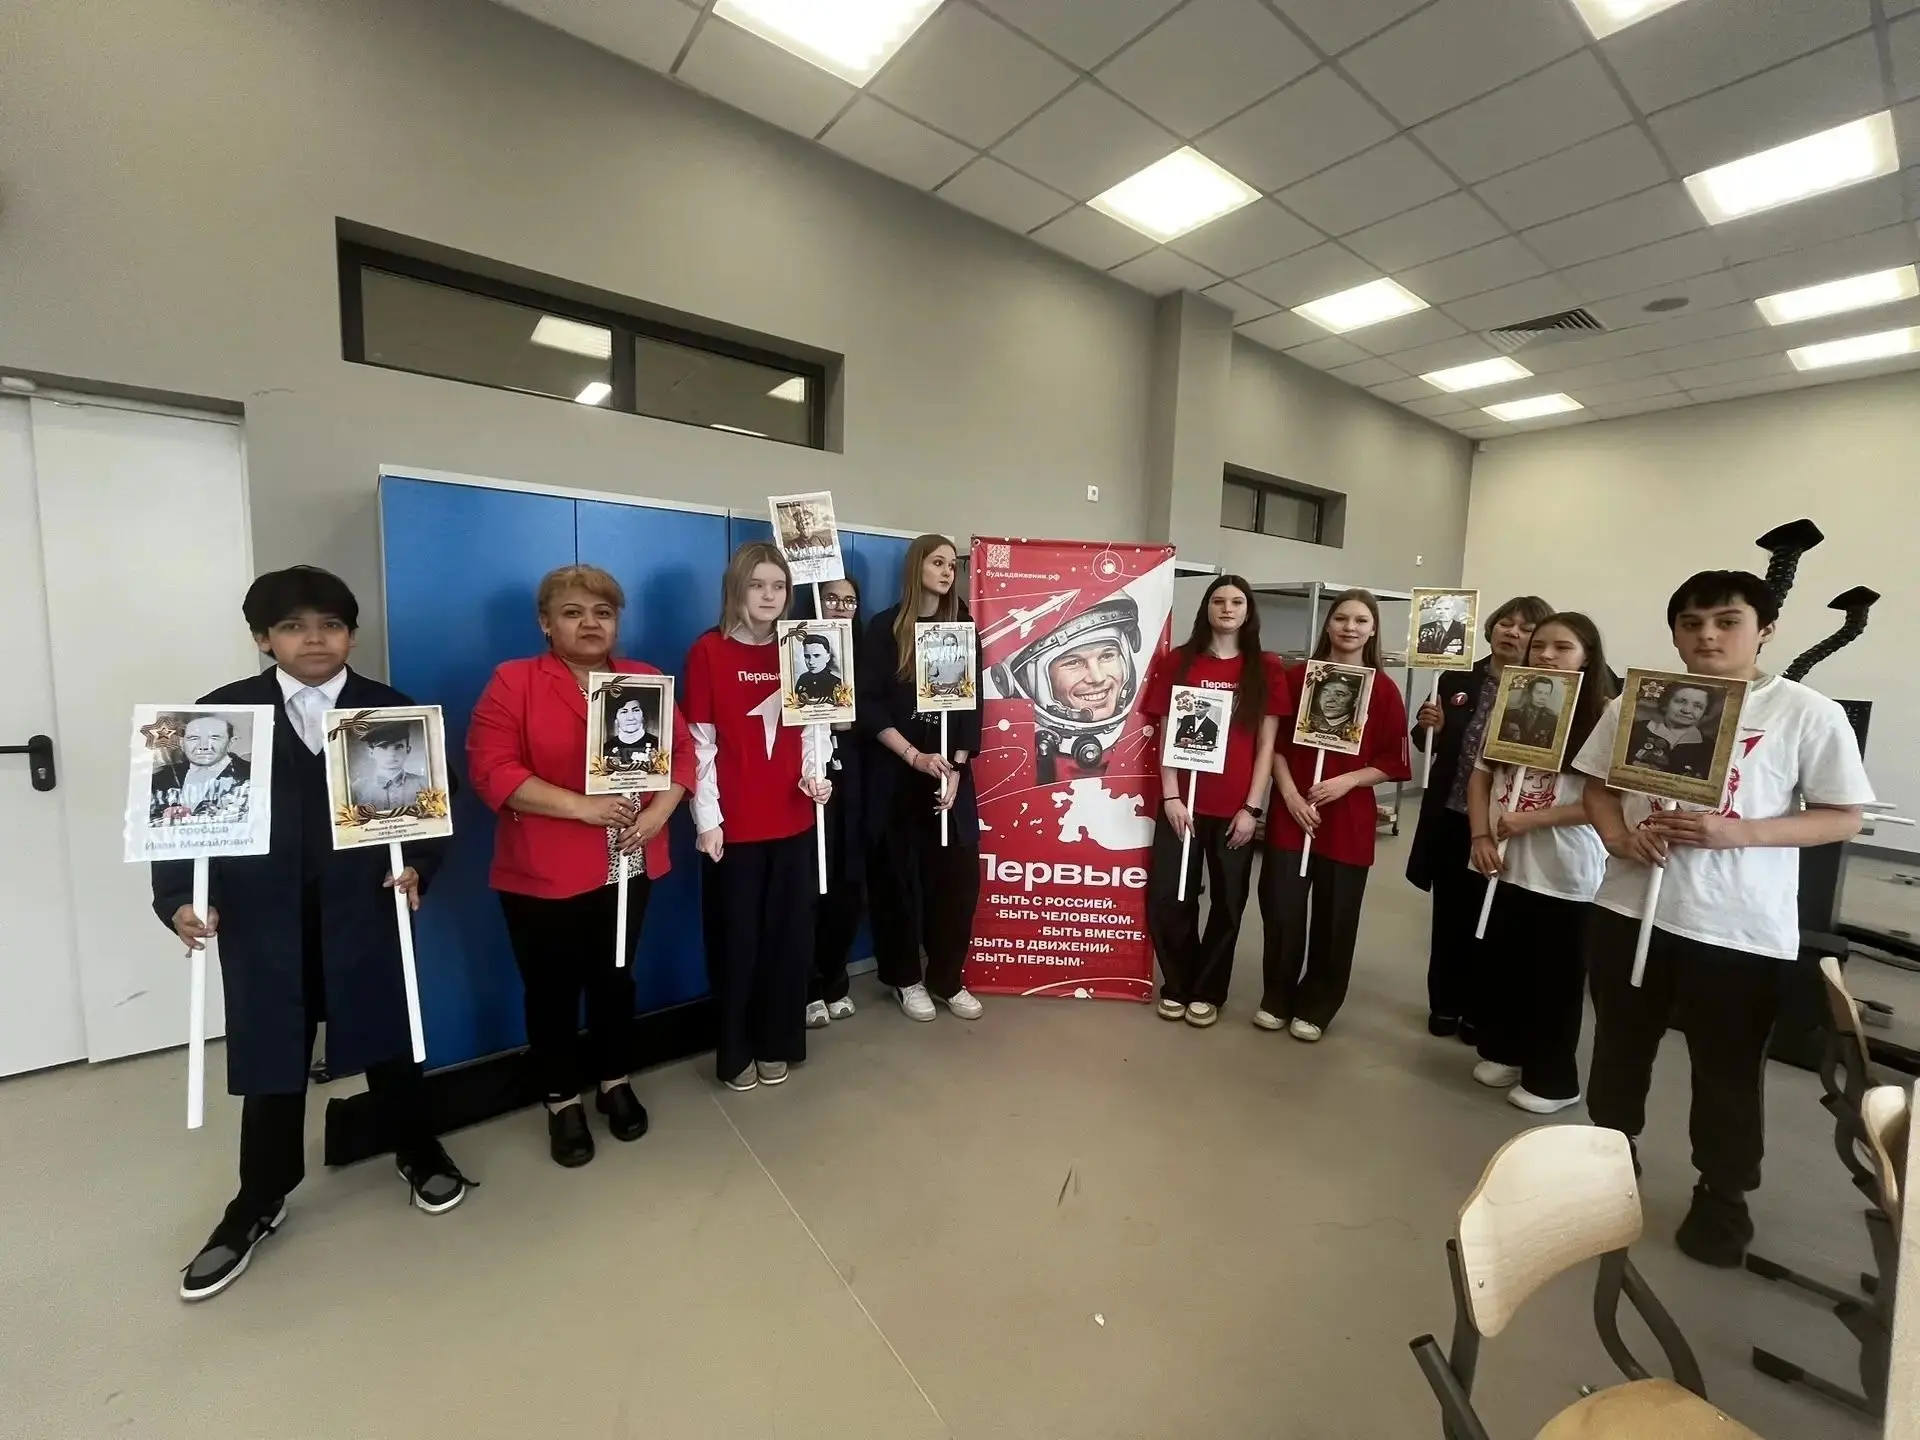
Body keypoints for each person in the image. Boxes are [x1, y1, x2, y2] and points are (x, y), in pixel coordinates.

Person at [152, 566, 470, 1302]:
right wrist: (178, 901)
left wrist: (419, 866)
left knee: (390, 1036)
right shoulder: (219, 716)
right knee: (272, 1051)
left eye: (330, 624)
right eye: (293, 626)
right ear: (264, 639)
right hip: (261, 919)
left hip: (364, 907)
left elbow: (431, 809)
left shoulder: (391, 711)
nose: (314, 639)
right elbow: (178, 819)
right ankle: (259, 1196)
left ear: (352, 634)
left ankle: (417, 1150)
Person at [1575, 570, 1873, 1267]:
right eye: (1691, 623)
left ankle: (1723, 1193)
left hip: (1738, 926)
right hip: (1630, 909)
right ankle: (1608, 1159)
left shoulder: (1806, 712)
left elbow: (1843, 817)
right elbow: (1596, 788)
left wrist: (1736, 833)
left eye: (1726, 621)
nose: (1707, 636)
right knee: (1619, 1048)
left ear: (1765, 630)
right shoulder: (1637, 704)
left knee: (1728, 1070)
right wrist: (1617, 838)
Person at [468, 565, 692, 1167]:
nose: (590, 623)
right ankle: (561, 1098)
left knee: (616, 978)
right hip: (542, 871)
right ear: (546, 623)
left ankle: (614, 1080)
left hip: (628, 861)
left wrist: (660, 812)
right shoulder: (514, 682)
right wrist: (582, 808)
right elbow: (492, 769)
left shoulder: (644, 680)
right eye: (573, 612)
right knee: (551, 991)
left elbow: (683, 756)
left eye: (603, 612)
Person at [686, 543, 833, 1089]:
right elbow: (699, 745)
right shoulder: (708, 651)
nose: (769, 596)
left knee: (788, 942)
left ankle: (779, 1041)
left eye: (778, 586)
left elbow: (815, 725)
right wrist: (708, 819)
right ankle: (735, 1049)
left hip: (793, 820)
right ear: (736, 589)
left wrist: (817, 774)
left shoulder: (801, 646)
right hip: (735, 829)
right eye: (757, 585)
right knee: (737, 944)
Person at [1466, 614, 1614, 1114]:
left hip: (1564, 872)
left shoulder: (1607, 715)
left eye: (1562, 647)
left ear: (1587, 656)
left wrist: (1534, 819)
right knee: (1505, 967)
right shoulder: (1513, 703)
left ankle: (1554, 1079)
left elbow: (1607, 801)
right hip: (1505, 861)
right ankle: (1507, 1051)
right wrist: (1480, 834)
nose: (1546, 656)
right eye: (1539, 646)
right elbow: (1480, 776)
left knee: (1555, 979)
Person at [1258, 590, 1411, 1041]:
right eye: (1341, 618)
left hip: (1347, 819)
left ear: (1373, 629)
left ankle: (1318, 1004)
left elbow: (1392, 760)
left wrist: (1347, 781)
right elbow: (1274, 745)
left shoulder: (1384, 690)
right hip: (1293, 811)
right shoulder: (1299, 678)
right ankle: (1277, 996)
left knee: (1336, 916)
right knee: (1282, 909)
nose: (1350, 627)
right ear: (1327, 624)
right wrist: (1289, 794)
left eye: (1361, 620)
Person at [1406, 594, 1554, 1043]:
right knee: (1449, 916)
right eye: (1506, 623)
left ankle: (1479, 1010)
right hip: (1452, 815)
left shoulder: (1548, 691)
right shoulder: (1455, 678)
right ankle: (1444, 1004)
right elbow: (1424, 741)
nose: (1513, 632)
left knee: (1494, 921)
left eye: (1525, 628)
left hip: (1504, 824)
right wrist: (1429, 727)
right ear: (1491, 629)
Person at [1142, 576, 1285, 1027]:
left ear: (1248, 611)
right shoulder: (1178, 662)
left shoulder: (1265, 667)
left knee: (1227, 902)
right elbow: (1165, 733)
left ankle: (1208, 990)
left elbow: (1267, 745)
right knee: (1170, 897)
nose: (1227, 608)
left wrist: (1252, 808)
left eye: (1237, 602)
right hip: (1182, 805)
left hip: (1234, 809)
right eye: (1218, 600)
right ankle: (1178, 983)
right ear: (1206, 608)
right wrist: (1170, 795)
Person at [857, 534, 985, 1023]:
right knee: (896, 881)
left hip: (948, 776)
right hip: (897, 775)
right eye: (938, 562)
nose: (948, 572)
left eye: (952, 564)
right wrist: (913, 756)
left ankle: (947, 978)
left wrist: (955, 767)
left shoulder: (962, 627)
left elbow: (972, 705)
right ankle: (905, 978)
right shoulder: (884, 627)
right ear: (916, 568)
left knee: (956, 880)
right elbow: (869, 705)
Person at [805, 577, 865, 1031]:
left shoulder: (865, 653)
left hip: (855, 781)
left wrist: (852, 721)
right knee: (809, 885)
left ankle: (835, 978)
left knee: (847, 884)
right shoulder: (796, 652)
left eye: (850, 600)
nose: (841, 607)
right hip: (808, 781)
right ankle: (806, 986)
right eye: (832, 598)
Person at [150, 713, 252, 822]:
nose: (203, 746)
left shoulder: (251, 775)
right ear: (182, 743)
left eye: (214, 738)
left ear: (231, 742)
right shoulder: (160, 778)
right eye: (194, 738)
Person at [1625, 681, 1714, 778]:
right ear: (1666, 703)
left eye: (1698, 706)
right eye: (1680, 701)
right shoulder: (1634, 729)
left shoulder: (1709, 747)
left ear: (1704, 713)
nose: (1686, 710)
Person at [348, 720, 430, 809]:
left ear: (408, 750)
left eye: (398, 747)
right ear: (371, 752)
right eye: (383, 747)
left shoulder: (424, 784)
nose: (391, 754)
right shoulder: (357, 789)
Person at [1498, 675, 1562, 752]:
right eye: (1539, 692)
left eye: (1547, 694)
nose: (1543, 697)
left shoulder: (1552, 719)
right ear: (1529, 692)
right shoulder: (1512, 714)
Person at [602, 689, 660, 771]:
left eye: (636, 710)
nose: (631, 718)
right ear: (616, 719)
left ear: (643, 716)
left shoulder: (658, 744)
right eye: (624, 712)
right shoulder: (606, 748)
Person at [793, 631, 842, 707]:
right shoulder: (803, 679)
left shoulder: (835, 682)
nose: (811, 662)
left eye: (816, 655)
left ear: (828, 657)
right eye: (807, 656)